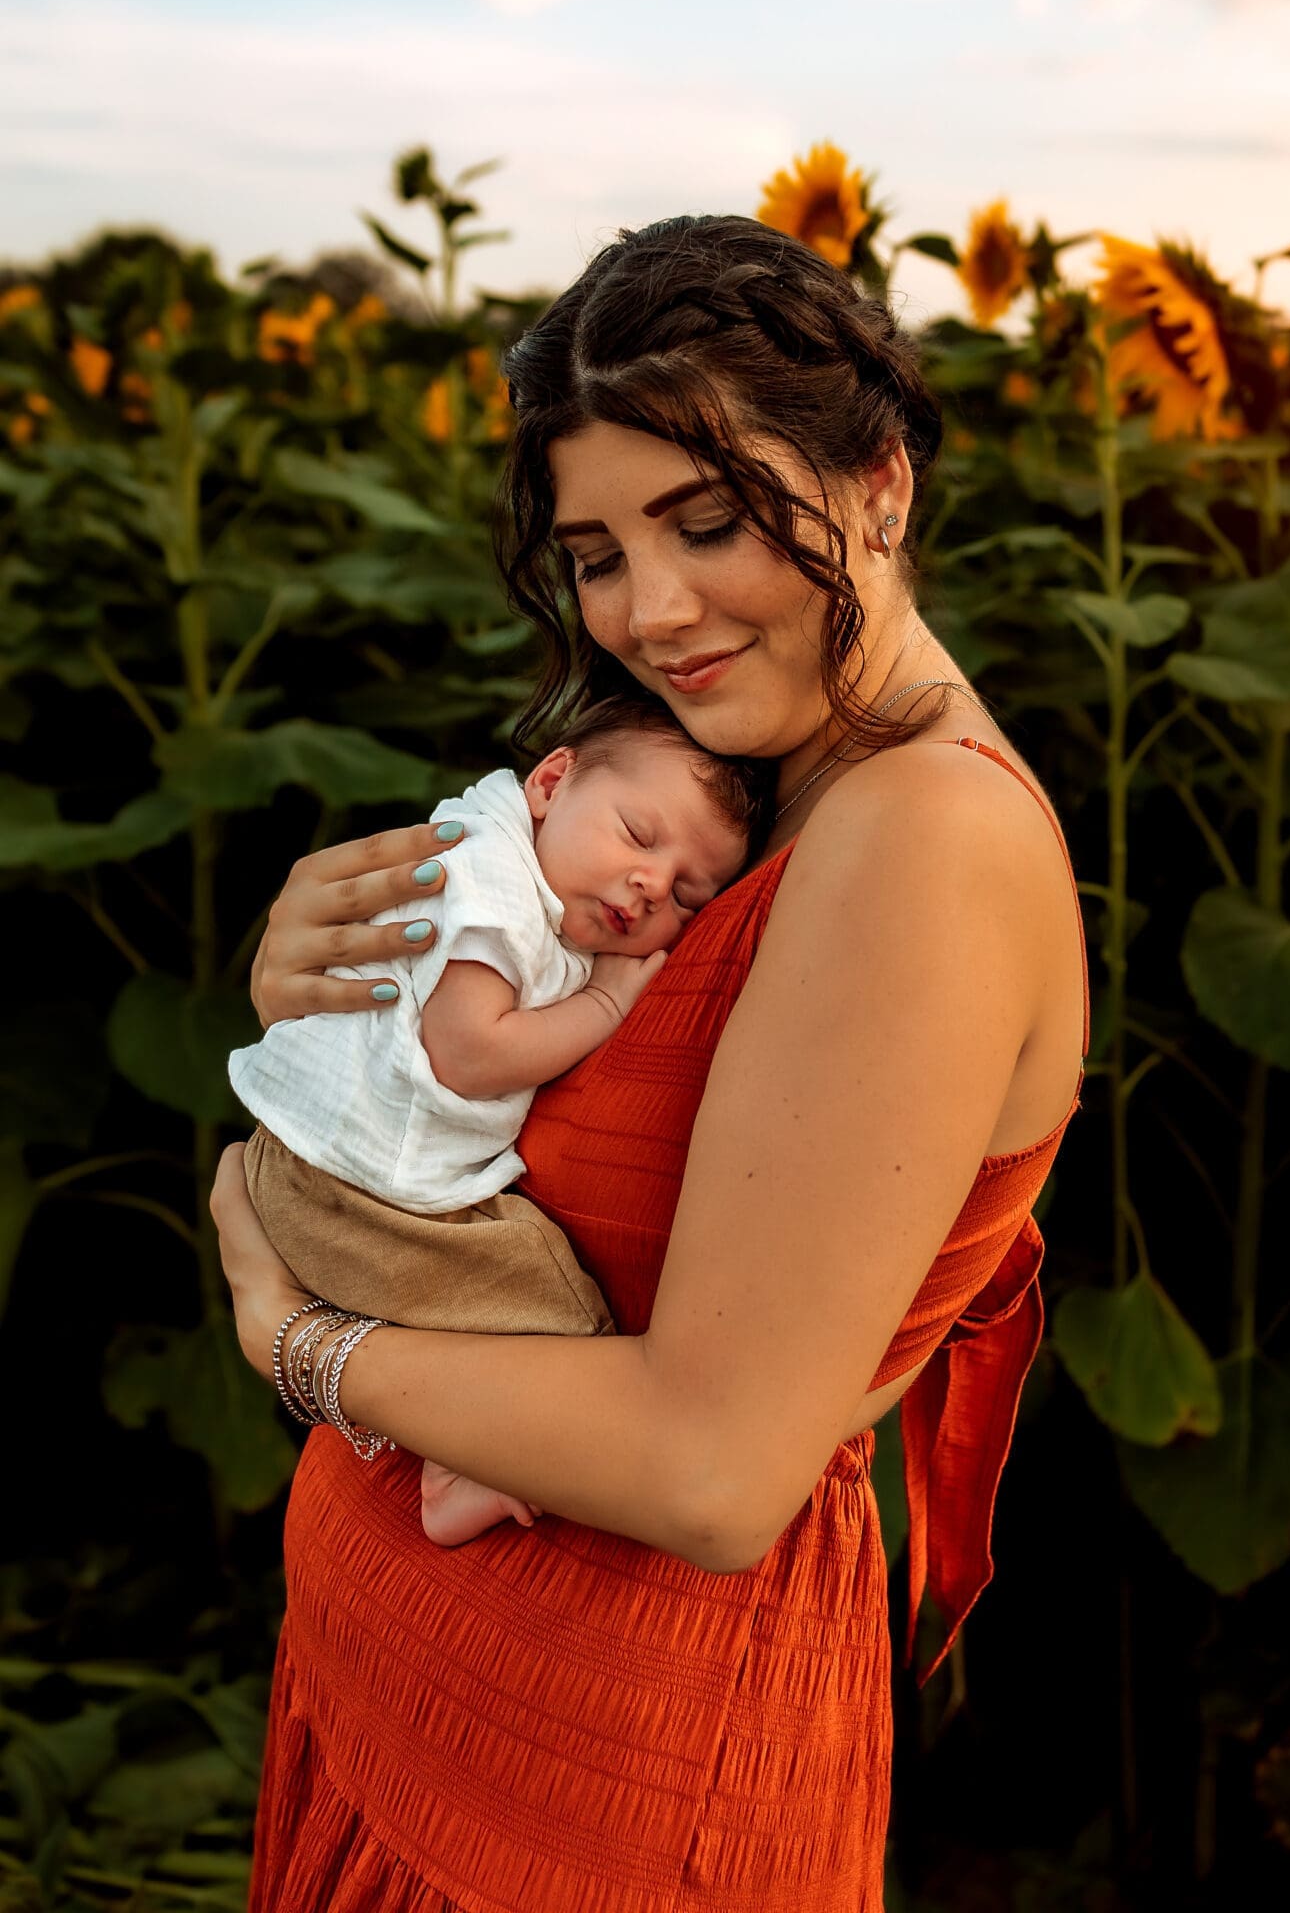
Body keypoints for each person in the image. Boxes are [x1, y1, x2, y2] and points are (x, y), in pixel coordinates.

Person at [212, 212, 1089, 1911]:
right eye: (597, 551)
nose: (651, 609)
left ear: (883, 480)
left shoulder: (917, 838)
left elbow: (712, 1465)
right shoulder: (750, 783)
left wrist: (301, 1339)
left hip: (597, 1789)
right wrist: (330, 1000)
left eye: (707, 520)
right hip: (441, 1709)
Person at [226, 697, 765, 1546]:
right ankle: (462, 1469)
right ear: (551, 781)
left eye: (687, 896)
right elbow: (470, 1052)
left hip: (329, 1175)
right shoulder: (494, 882)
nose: (651, 885)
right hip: (355, 1191)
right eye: (636, 835)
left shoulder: (537, 878)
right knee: (554, 1311)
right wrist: (601, 1002)